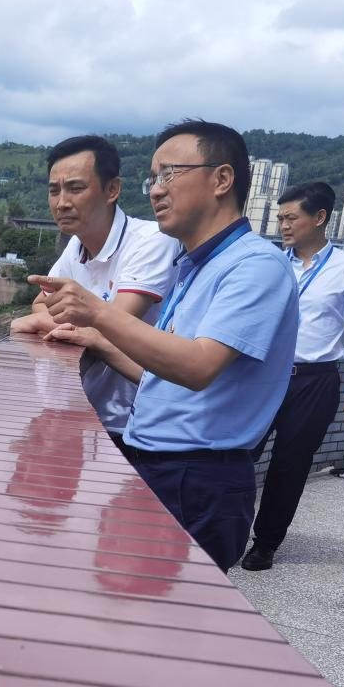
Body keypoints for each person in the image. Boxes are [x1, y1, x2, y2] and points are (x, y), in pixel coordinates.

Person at [29, 120, 298, 571]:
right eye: (152, 178)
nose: (156, 190)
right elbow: (164, 376)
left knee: (145, 599)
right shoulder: (196, 265)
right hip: (159, 464)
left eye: (169, 174)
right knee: (120, 592)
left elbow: (197, 367)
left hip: (197, 477)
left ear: (222, 179)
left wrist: (98, 314)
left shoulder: (255, 265)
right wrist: (99, 341)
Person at [239, 182, 344, 570]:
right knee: (238, 454)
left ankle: (266, 543)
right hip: (260, 376)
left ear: (319, 217)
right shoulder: (270, 263)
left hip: (314, 380)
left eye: (291, 218)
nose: (283, 225)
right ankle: (226, 529)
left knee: (290, 464)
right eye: (280, 218)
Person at [10, 136, 179, 450]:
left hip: (130, 428)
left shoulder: (151, 241)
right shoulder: (77, 245)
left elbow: (113, 324)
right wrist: (62, 322)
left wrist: (49, 322)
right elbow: (40, 302)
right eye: (54, 190)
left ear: (112, 189)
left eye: (75, 188)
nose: (62, 202)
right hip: (78, 418)